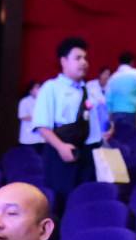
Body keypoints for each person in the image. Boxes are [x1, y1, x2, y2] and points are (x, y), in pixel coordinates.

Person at [33, 36, 102, 212]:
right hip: (62, 152)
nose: (84, 62)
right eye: (78, 58)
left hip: (88, 154)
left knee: (85, 203)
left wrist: (107, 129)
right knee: (61, 205)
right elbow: (42, 126)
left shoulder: (90, 89)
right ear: (63, 61)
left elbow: (98, 122)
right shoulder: (51, 87)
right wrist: (61, 147)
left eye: (85, 58)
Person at [105, 52, 136, 128]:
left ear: (119, 63)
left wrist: (109, 115)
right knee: (129, 135)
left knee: (117, 135)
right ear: (132, 62)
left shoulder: (112, 77)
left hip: (115, 114)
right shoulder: (135, 73)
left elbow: (108, 99)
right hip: (130, 113)